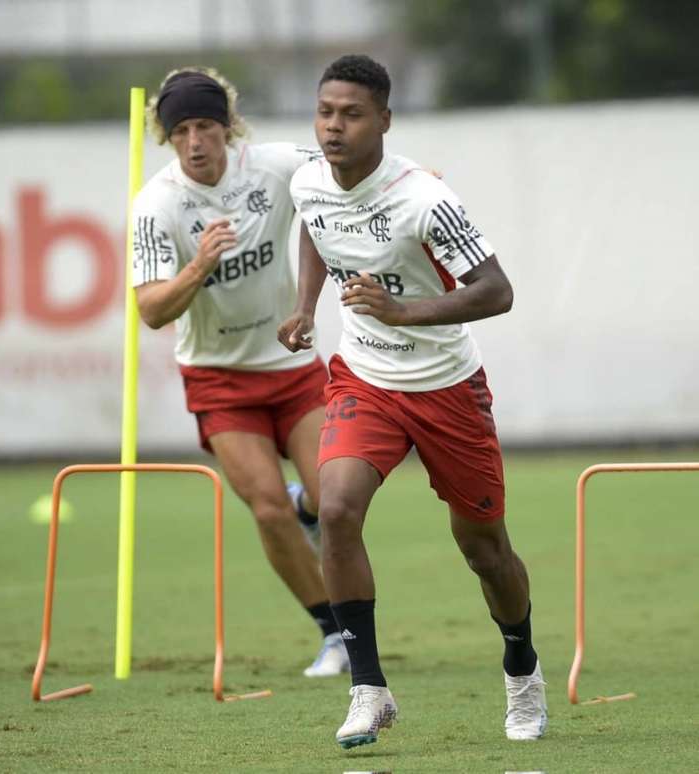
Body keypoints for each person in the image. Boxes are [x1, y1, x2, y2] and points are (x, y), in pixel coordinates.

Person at [278, 55, 547, 747]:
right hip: (364, 378)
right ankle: (368, 688)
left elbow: (497, 290)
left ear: (385, 122)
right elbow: (313, 222)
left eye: (352, 114)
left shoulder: (424, 197)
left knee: (484, 550)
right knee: (333, 507)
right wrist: (306, 305)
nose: (334, 126)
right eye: (326, 112)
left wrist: (401, 313)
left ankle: (522, 666)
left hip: (448, 387)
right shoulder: (308, 179)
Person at [131, 66, 349, 678]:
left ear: (227, 128)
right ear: (167, 138)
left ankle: (312, 505)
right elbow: (151, 311)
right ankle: (333, 633)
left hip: (293, 366)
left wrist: (408, 181)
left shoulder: (275, 165)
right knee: (268, 508)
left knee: (339, 503)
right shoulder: (156, 205)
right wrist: (198, 266)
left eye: (205, 126)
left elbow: (348, 165)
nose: (195, 141)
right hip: (219, 378)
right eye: (181, 132)